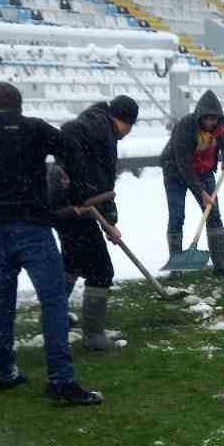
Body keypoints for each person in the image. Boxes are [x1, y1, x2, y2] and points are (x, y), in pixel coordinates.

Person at [0, 82, 102, 406]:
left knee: (2, 303)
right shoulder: (34, 129)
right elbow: (71, 147)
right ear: (20, 106)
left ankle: (5, 371)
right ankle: (61, 379)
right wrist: (77, 189)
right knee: (53, 303)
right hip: (34, 227)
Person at [49, 94, 138, 351]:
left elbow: (97, 181)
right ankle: (94, 337)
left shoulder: (97, 124)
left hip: (65, 205)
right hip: (75, 209)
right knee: (101, 271)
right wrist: (109, 221)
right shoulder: (101, 129)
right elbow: (102, 183)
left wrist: (108, 219)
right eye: (128, 127)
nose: (127, 133)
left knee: (72, 262)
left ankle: (55, 316)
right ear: (123, 121)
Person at [162, 89, 224, 275]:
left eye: (214, 119)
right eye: (207, 119)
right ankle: (177, 267)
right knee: (177, 216)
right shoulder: (185, 127)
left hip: (204, 171)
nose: (211, 123)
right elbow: (183, 164)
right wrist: (201, 193)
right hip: (176, 172)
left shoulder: (219, 126)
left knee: (213, 214)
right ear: (200, 116)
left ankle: (220, 264)